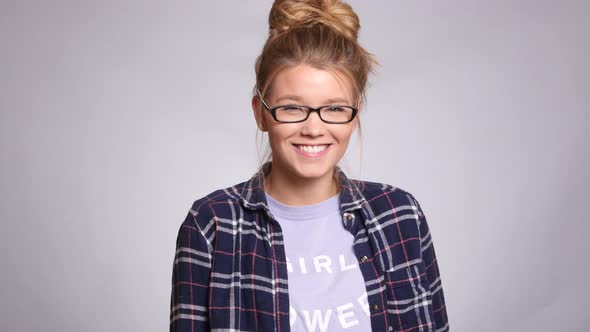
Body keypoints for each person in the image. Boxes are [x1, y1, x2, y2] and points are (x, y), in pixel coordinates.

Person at [170, 0, 449, 331]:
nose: (314, 128)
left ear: (355, 112)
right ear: (260, 112)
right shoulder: (212, 225)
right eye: (291, 108)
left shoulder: (400, 214)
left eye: (333, 108)